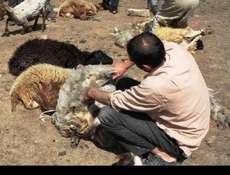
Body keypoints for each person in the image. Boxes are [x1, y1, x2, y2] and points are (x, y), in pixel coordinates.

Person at [85, 32, 210, 165]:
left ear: (146, 67)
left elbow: (114, 101)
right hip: (194, 121)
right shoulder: (177, 50)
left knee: (106, 115)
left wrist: (90, 92)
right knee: (124, 83)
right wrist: (125, 65)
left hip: (180, 141)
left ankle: (161, 153)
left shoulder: (155, 86)